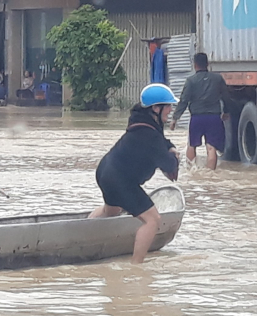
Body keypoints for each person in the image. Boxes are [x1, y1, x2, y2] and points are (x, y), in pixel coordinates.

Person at [89, 84, 180, 264]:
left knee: (111, 210)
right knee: (152, 220)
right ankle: (136, 266)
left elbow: (161, 141)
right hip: (120, 179)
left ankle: (84, 232)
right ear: (155, 108)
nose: (170, 110)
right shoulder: (149, 135)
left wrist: (170, 147)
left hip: (105, 170)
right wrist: (174, 156)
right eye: (168, 106)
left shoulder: (142, 123)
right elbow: (167, 163)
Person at [170, 53, 232, 170]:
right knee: (211, 147)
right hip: (214, 118)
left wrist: (175, 118)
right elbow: (226, 97)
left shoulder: (191, 81)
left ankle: (190, 172)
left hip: (197, 118)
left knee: (192, 145)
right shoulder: (217, 79)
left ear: (195, 65)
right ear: (207, 64)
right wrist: (226, 112)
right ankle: (210, 175)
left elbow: (184, 100)